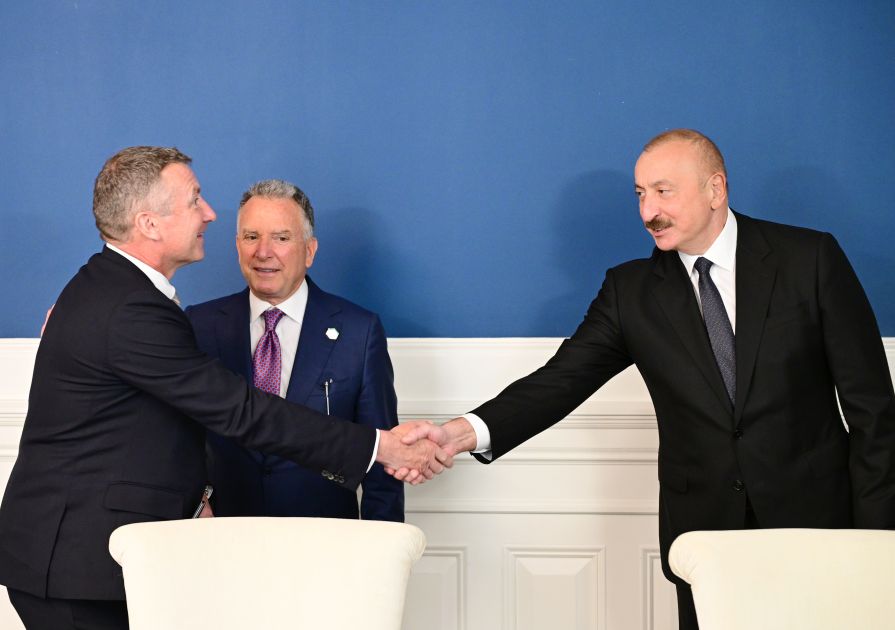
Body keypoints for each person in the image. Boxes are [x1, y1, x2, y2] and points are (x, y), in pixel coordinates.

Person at [396, 129, 895, 629]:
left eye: (663, 191)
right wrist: (456, 434)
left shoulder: (809, 259)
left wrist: (878, 538)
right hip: (703, 535)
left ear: (716, 189)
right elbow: (559, 382)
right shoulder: (629, 291)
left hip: (817, 524)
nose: (648, 211)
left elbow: (873, 409)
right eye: (640, 194)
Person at [0, 146, 443, 630]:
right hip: (77, 565)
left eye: (280, 237)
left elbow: (157, 427)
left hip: (98, 559)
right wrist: (381, 447)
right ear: (150, 223)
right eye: (194, 200)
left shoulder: (112, 293)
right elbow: (239, 411)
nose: (209, 213)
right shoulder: (130, 308)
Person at [186, 179, 403, 521]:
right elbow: (176, 439)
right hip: (222, 535)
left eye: (281, 238)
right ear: (237, 246)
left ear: (310, 250)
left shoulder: (358, 332)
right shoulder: (199, 324)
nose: (263, 252)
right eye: (251, 236)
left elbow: (383, 461)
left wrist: (383, 546)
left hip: (324, 539)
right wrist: (194, 504)